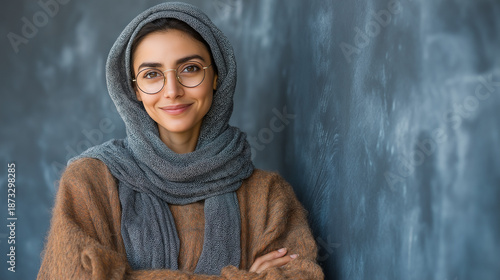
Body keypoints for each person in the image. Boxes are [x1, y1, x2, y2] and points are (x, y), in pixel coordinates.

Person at [38, 2, 324, 279]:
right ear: (134, 89)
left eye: (190, 68)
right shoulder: (90, 182)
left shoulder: (268, 196)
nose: (172, 90)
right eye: (151, 74)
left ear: (216, 75)